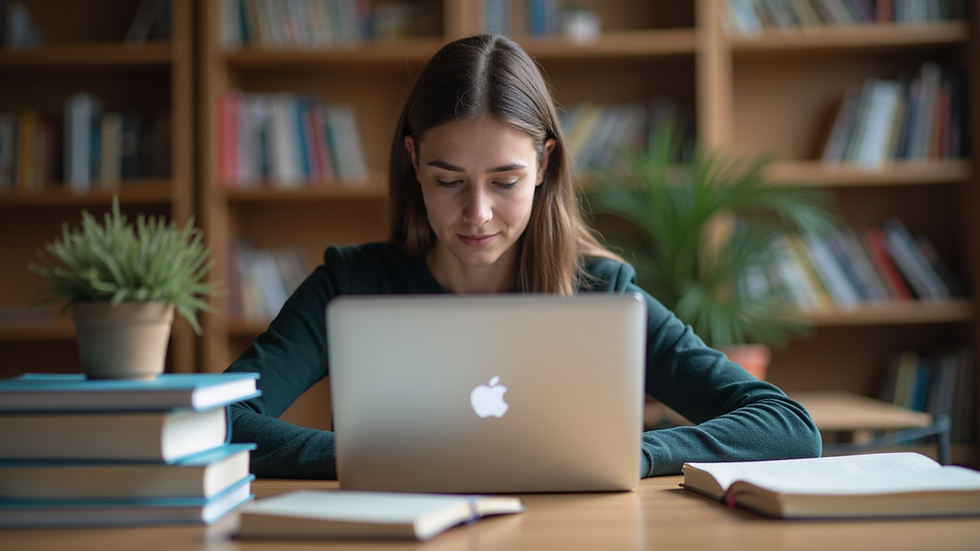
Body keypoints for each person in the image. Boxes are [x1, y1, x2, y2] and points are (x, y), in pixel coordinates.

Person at [224, 34, 822, 479]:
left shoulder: (601, 293)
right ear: (413, 162)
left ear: (544, 167)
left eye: (504, 181)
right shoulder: (349, 283)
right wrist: (369, 455)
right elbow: (221, 421)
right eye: (449, 180)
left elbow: (785, 425)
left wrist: (631, 453)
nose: (477, 212)